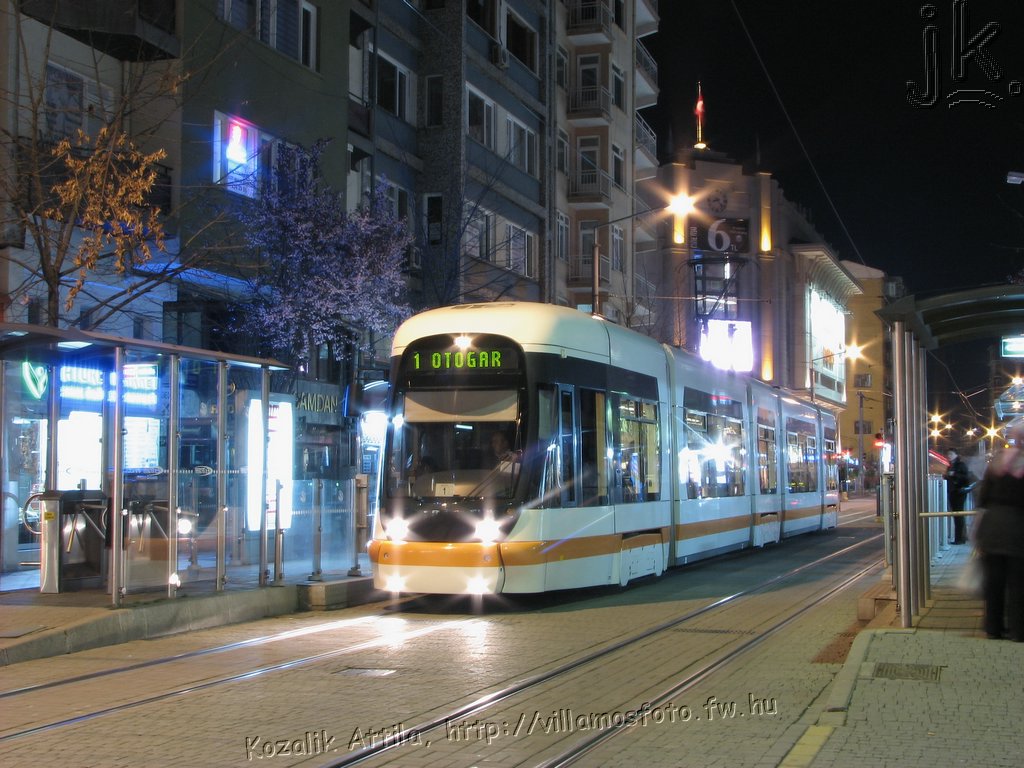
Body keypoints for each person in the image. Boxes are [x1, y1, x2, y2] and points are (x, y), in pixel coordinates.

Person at [974, 424, 1024, 641]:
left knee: (994, 582)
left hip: (992, 528)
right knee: (1018, 584)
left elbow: (982, 498)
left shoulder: (997, 462)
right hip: (1018, 529)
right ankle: (1018, 630)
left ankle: (993, 628)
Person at [945, 447, 973, 544]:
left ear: (956, 455)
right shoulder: (950, 466)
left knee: (958, 515)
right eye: (948, 454)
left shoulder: (960, 465)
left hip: (959, 493)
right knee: (957, 515)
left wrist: (954, 475)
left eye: (951, 454)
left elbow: (965, 478)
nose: (949, 456)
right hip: (953, 492)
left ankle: (959, 539)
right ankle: (960, 538)